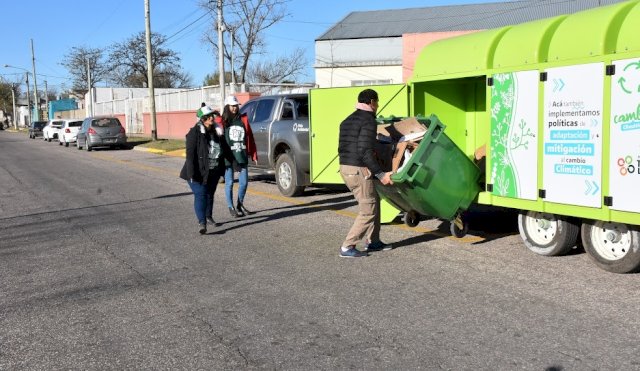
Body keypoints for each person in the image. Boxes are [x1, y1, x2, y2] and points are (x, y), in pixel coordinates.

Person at [337, 88, 394, 258]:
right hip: (359, 170)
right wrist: (381, 174)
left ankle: (373, 241)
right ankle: (348, 246)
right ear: (371, 102)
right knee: (368, 210)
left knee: (373, 200)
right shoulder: (368, 121)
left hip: (346, 168)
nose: (377, 105)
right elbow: (364, 151)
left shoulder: (347, 120)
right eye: (377, 102)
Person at [179, 105, 226, 234]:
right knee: (201, 194)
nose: (212, 118)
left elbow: (223, 150)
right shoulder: (194, 133)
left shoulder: (218, 131)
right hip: (197, 172)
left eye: (212, 115)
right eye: (208, 116)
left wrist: (224, 168)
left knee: (210, 194)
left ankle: (209, 216)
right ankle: (202, 222)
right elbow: (190, 155)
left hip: (213, 170)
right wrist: (191, 174)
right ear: (202, 118)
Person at [217, 95, 258, 217]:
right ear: (227, 106)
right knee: (229, 183)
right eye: (232, 106)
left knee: (244, 182)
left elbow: (249, 137)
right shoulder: (223, 121)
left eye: (236, 106)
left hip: (241, 155)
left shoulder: (243, 119)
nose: (234, 108)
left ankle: (240, 204)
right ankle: (231, 207)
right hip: (229, 157)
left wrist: (254, 154)